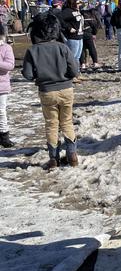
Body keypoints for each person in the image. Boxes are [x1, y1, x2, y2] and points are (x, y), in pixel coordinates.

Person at [22, 12, 80, 169]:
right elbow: (74, 71)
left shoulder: (32, 51)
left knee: (51, 124)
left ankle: (53, 159)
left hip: (46, 91)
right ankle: (72, 155)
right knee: (67, 122)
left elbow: (27, 74)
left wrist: (39, 75)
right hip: (66, 89)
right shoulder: (63, 47)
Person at [0, 25, 15, 147]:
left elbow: (9, 65)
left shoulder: (6, 48)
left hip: (1, 85)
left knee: (1, 111)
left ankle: (4, 135)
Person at [60, 0, 84, 68]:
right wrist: (68, 28)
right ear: (72, 3)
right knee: (71, 58)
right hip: (72, 38)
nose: (79, 4)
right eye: (78, 3)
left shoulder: (77, 10)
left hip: (79, 36)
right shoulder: (67, 11)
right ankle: (69, 74)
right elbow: (59, 19)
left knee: (77, 57)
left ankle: (76, 73)